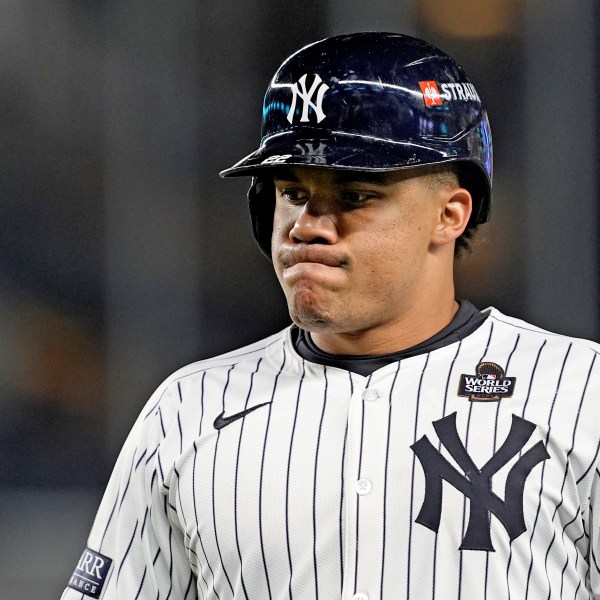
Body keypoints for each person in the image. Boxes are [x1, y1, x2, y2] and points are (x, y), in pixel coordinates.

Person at [61, 32, 600, 600]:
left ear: (450, 214)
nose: (307, 225)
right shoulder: (188, 410)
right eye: (292, 191)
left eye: (355, 196)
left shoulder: (581, 391)